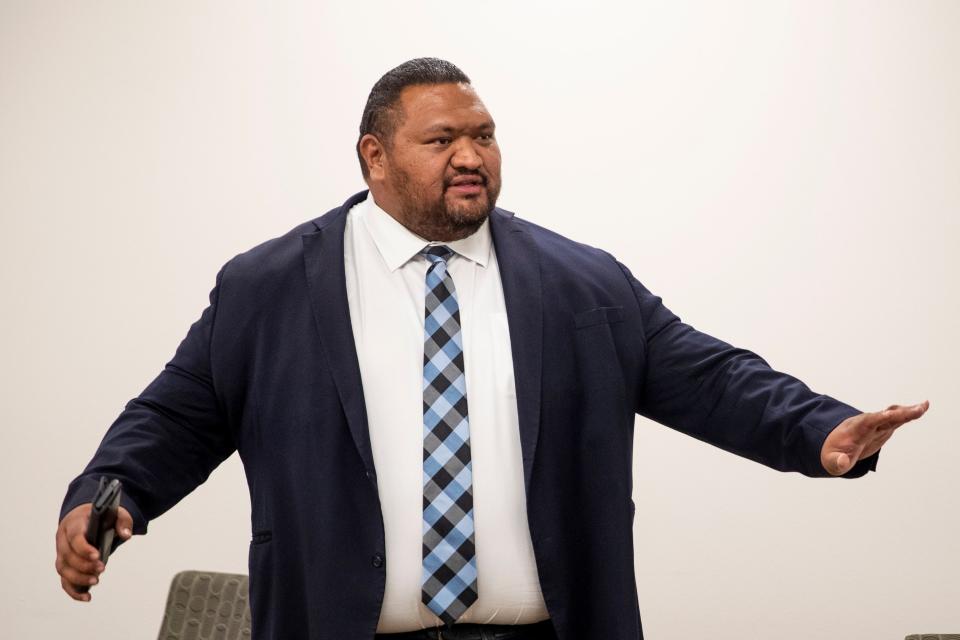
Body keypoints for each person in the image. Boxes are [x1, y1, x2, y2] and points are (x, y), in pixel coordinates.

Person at [54, 58, 930, 640]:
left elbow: (710, 375)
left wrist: (823, 430)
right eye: (442, 141)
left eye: (484, 136)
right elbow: (173, 416)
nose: (471, 157)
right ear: (375, 155)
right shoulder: (268, 287)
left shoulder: (581, 283)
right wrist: (107, 497)